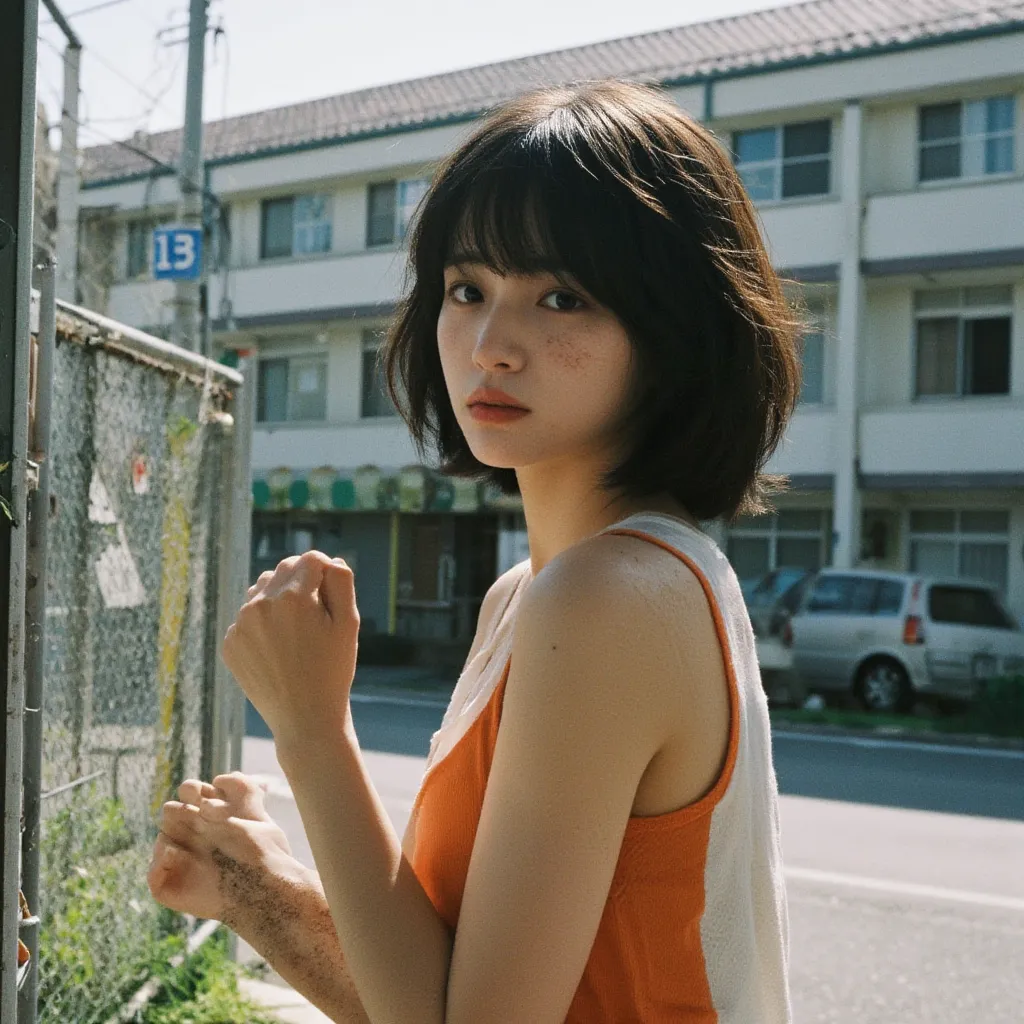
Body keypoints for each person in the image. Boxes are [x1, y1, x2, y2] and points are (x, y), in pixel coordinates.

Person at [149, 79, 799, 1023]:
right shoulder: (542, 592)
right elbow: (441, 993)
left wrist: (313, 734)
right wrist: (265, 890)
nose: (492, 343)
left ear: (676, 331)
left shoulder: (608, 598)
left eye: (563, 298)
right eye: (468, 288)